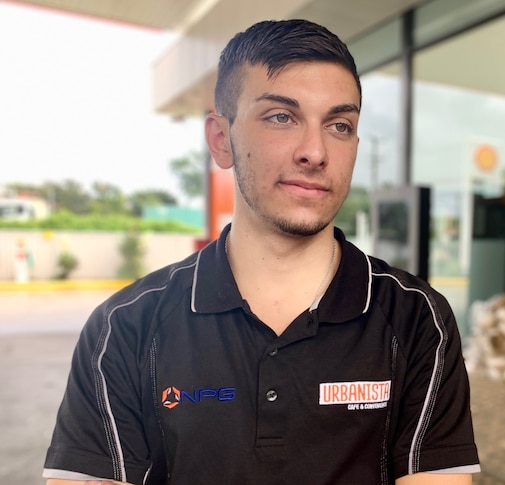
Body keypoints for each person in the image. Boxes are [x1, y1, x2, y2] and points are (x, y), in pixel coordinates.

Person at [43, 19, 479, 485]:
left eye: (339, 124)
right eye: (281, 117)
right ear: (220, 140)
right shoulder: (126, 327)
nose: (315, 151)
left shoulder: (416, 319)